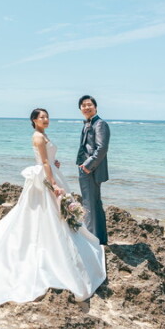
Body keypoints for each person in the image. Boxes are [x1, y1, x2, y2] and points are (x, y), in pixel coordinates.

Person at [0, 108, 106, 309]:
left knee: (53, 216)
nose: (46, 119)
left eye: (47, 116)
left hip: (50, 174)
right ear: (34, 120)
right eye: (42, 117)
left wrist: (53, 166)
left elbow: (48, 159)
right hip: (45, 179)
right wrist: (54, 184)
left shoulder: (44, 135)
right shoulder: (38, 136)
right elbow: (44, 162)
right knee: (42, 215)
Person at [75, 95, 110, 245]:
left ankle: (91, 239)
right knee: (93, 203)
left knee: (90, 204)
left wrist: (87, 166)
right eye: (83, 105)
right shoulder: (88, 124)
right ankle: (99, 239)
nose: (86, 107)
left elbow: (102, 148)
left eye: (89, 105)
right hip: (86, 168)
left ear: (95, 107)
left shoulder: (100, 124)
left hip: (91, 169)